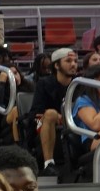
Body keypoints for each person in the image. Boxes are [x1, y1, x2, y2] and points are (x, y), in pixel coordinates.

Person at [28, 47, 78, 177]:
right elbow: (36, 112)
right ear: (56, 65)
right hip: (46, 124)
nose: (73, 64)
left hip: (74, 124)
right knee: (51, 114)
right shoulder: (44, 83)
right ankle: (48, 163)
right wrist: (57, 116)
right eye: (68, 61)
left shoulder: (80, 84)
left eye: (75, 61)